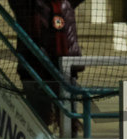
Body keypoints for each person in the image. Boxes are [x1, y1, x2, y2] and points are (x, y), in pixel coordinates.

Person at [7, 0, 86, 130]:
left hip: (65, 69)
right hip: (34, 70)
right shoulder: (27, 5)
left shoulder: (65, 2)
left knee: (68, 122)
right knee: (37, 124)